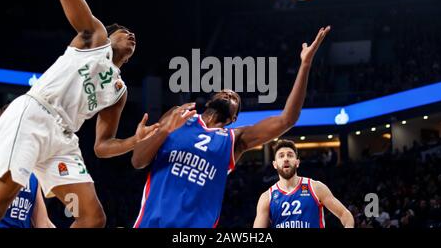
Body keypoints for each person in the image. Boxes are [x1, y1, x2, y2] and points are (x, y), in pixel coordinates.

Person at [0, 0, 158, 227]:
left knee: (92, 217)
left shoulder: (119, 90)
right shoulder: (94, 39)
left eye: (134, 34)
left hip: (64, 138)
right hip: (35, 113)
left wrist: (133, 141)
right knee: (6, 192)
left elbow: (102, 145)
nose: (132, 34)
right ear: (109, 37)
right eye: (124, 31)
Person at [131, 26, 331, 228]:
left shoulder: (234, 140)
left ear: (234, 118)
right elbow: (138, 160)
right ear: (209, 101)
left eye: (235, 98)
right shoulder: (178, 116)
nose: (230, 94)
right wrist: (165, 130)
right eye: (225, 92)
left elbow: (287, 119)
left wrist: (305, 64)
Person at [253, 139, 354, 228]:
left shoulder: (315, 187)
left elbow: (344, 214)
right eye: (281, 156)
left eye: (290, 155)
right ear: (275, 164)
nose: (286, 159)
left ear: (297, 162)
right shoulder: (267, 197)